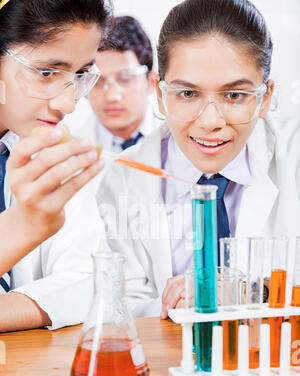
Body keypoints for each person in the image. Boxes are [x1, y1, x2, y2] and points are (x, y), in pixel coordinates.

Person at [96, 0, 300, 319]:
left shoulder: (294, 155)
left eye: (234, 95)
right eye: (188, 94)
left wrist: (246, 292)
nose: (209, 121)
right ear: (160, 94)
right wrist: (177, 306)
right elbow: (122, 301)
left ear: (265, 97)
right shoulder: (122, 179)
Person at [0, 0, 111, 332]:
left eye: (79, 75)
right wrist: (23, 227)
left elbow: (88, 280)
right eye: (46, 72)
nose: (68, 104)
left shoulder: (49, 147)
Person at [65, 15, 159, 153]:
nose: (111, 96)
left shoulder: (179, 141)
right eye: (97, 81)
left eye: (125, 78)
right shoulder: (70, 150)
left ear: (151, 82)